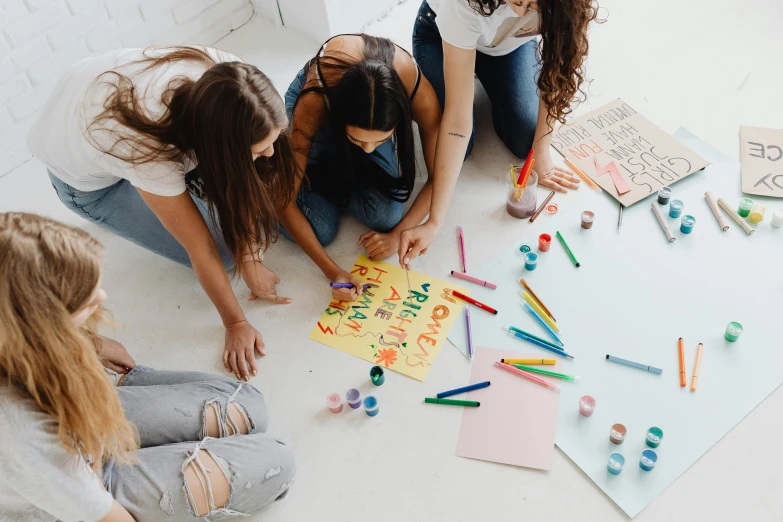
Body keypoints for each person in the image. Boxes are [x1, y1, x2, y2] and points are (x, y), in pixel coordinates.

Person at [26, 46, 299, 382]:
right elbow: (200, 249)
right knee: (224, 252)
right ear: (219, 148)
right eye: (258, 149)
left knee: (244, 218)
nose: (271, 151)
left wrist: (252, 255)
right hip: (89, 183)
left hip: (95, 110)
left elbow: (242, 181)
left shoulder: (235, 79)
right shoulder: (151, 152)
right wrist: (236, 322)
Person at [0, 212, 295, 522]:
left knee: (251, 406)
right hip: (89, 491)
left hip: (85, 419)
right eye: (85, 303)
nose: (101, 297)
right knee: (277, 460)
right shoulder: (19, 429)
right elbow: (106, 517)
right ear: (42, 327)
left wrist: (92, 343)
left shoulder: (20, 336)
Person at [400, 0, 602, 265]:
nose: (520, 11)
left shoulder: (569, 5)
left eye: (533, 5)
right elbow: (458, 124)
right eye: (518, 1)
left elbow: (557, 74)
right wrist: (435, 221)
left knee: (524, 140)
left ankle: (483, 73)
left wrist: (541, 151)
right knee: (461, 146)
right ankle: (468, 69)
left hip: (508, 45)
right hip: (439, 36)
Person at [281, 34, 442, 302]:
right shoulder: (314, 103)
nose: (368, 149)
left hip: (365, 106)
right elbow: (283, 202)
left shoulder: (416, 90)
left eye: (380, 140)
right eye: (357, 139)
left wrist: (398, 233)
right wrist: (332, 271)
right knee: (321, 230)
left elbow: (442, 174)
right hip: (317, 101)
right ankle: (275, 170)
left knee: (388, 215)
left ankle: (332, 174)